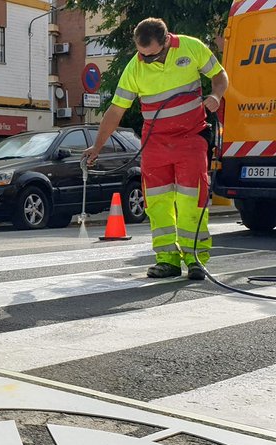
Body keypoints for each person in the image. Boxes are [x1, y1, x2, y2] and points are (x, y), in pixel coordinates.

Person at [84, 17, 228, 281]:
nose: (145, 60)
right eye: (141, 54)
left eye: (150, 55)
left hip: (191, 137)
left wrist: (216, 96)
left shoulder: (190, 47)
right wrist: (97, 146)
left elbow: (219, 76)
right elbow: (116, 110)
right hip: (155, 142)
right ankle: (167, 260)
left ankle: (196, 259)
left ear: (166, 42)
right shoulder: (134, 67)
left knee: (191, 200)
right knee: (157, 203)